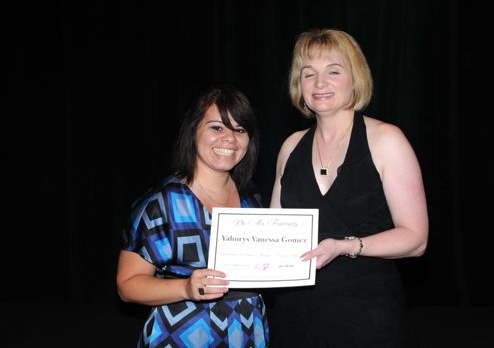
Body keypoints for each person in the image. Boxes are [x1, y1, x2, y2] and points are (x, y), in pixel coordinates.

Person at [269, 29, 429, 347]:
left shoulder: (387, 140)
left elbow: (416, 239)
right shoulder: (290, 147)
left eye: (333, 71)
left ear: (355, 79)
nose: (320, 83)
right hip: (296, 317)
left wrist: (344, 246)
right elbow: (275, 231)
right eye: (309, 73)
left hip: (368, 318)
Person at [116, 84, 270, 347]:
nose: (230, 139)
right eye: (217, 127)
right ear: (193, 130)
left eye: (240, 129)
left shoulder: (251, 198)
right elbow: (127, 286)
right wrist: (185, 288)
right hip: (184, 334)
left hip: (246, 329)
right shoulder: (162, 203)